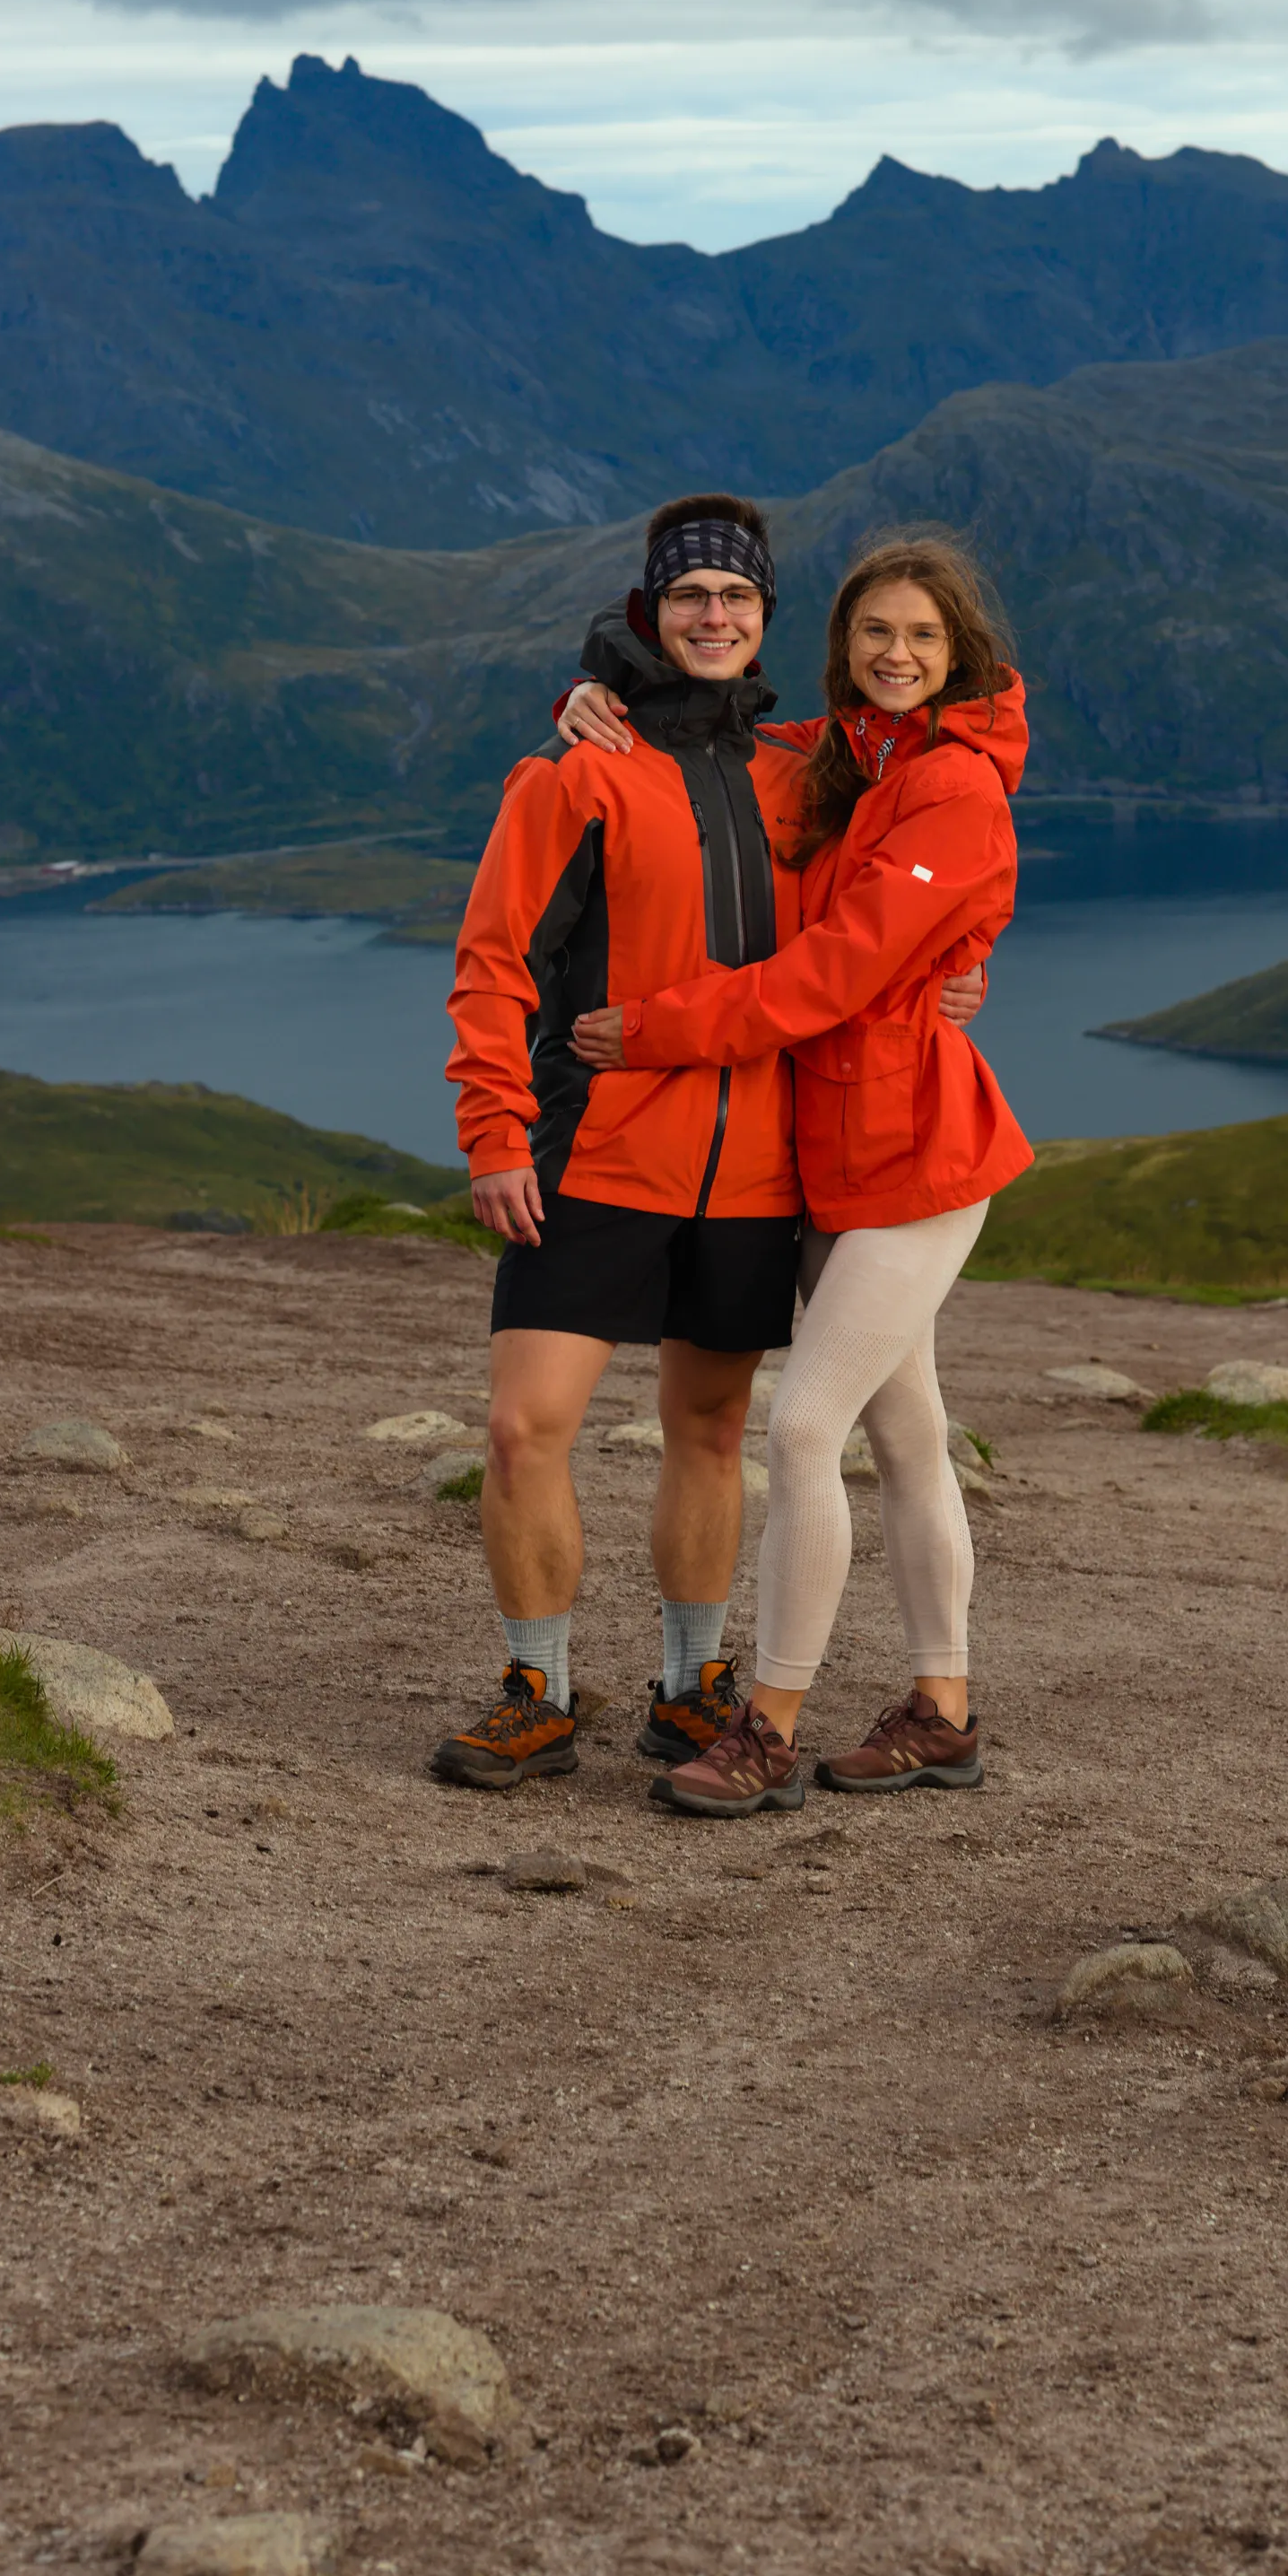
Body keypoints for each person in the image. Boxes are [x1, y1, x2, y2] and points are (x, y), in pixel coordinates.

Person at [435, 494, 988, 1792]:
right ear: (650, 610)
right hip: (598, 1153)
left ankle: (693, 1690)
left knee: (709, 1433)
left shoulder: (810, 776)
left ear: (764, 622)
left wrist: (962, 971)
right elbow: (493, 961)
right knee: (526, 1427)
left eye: (735, 599)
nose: (712, 616)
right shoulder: (575, 769)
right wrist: (492, 1129)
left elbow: (896, 915)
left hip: (755, 1173)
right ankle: (536, 1690)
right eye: (688, 596)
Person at [559, 532, 1031, 1813]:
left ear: (960, 654)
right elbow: (703, 749)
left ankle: (764, 1722)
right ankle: (943, 1711)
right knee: (910, 1435)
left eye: (923, 638)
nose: (895, 653)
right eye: (875, 632)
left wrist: (656, 1028)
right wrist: (595, 693)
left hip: (919, 1159)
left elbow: (833, 977)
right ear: (842, 648)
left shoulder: (955, 791)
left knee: (807, 1426)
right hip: (831, 1148)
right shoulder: (842, 761)